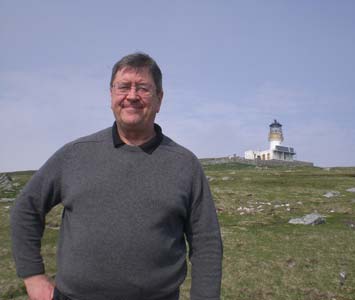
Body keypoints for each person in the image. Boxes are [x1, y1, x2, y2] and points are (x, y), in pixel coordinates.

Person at [11, 52, 223, 300]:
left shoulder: (185, 164)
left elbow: (206, 241)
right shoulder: (74, 154)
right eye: (123, 87)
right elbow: (26, 208)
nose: (132, 96)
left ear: (159, 99)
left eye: (143, 88)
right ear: (111, 95)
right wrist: (33, 276)